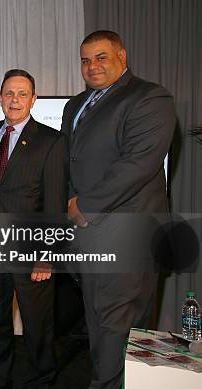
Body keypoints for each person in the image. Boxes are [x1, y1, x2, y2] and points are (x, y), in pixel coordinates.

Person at [61, 30, 176, 389]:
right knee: (102, 333)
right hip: (90, 238)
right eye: (85, 60)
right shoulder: (75, 104)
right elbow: (72, 164)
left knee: (116, 334)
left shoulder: (149, 97)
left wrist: (85, 207)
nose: (92, 66)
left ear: (122, 57)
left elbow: (139, 164)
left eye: (101, 57)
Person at [0, 69, 68, 389]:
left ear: (33, 99)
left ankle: (41, 381)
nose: (14, 100)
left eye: (21, 94)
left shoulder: (51, 140)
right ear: (0, 97)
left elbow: (56, 202)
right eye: (8, 94)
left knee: (37, 325)